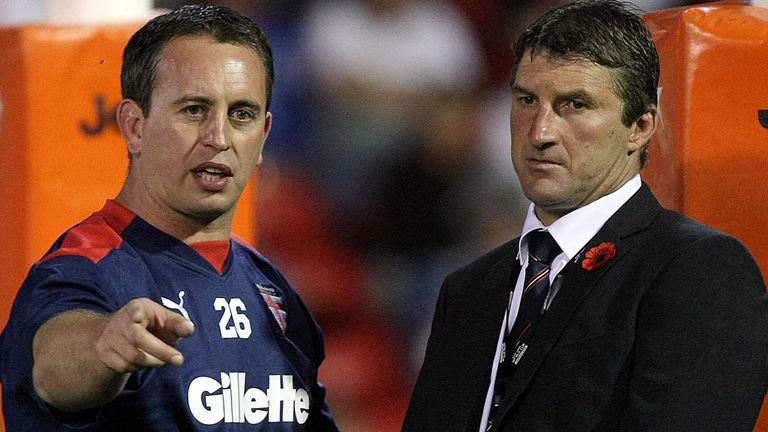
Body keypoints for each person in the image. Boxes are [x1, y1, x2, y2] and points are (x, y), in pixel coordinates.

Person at [402, 1, 768, 431]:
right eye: (526, 100)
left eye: (574, 104)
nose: (540, 133)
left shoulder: (698, 270)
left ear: (641, 126)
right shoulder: (466, 290)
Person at [0, 5, 338, 431]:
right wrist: (106, 345)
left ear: (264, 134)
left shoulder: (273, 290)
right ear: (134, 126)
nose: (219, 138)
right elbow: (53, 366)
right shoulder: (83, 269)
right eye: (194, 110)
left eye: (242, 114)